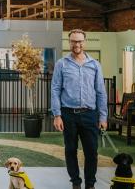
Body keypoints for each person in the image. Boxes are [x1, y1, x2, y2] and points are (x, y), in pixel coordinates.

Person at [51, 29, 107, 189]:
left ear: (84, 42)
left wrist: (103, 117)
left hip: (90, 115)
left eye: (80, 41)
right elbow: (55, 89)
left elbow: (101, 92)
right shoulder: (61, 64)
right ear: (69, 43)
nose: (77, 44)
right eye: (74, 41)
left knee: (92, 152)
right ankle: (76, 182)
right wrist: (57, 115)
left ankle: (90, 185)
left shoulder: (95, 65)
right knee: (70, 150)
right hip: (68, 114)